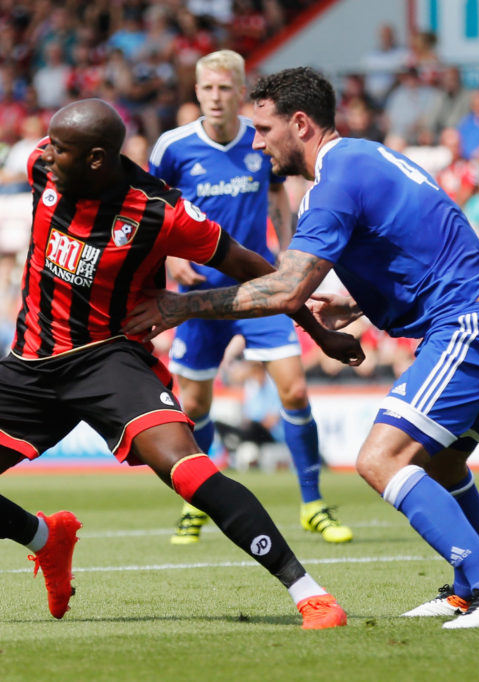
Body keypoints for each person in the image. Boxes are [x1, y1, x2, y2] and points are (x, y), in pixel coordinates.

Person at [0, 98, 362, 629]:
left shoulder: (158, 212)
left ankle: (308, 593)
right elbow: (47, 158)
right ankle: (46, 538)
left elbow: (253, 267)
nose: (47, 156)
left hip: (110, 359)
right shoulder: (41, 167)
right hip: (30, 363)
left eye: (62, 150)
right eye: (51, 146)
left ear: (98, 158)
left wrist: (318, 332)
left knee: (188, 468)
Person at [124, 67, 479, 629]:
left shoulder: (332, 183)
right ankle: (468, 589)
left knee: (379, 460)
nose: (257, 141)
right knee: (440, 460)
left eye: (264, 129)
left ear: (300, 123)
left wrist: (176, 307)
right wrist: (357, 304)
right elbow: (421, 239)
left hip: (470, 325)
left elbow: (286, 287)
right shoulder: (365, 157)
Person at [149, 50, 352, 545]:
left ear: (241, 92)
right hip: (197, 293)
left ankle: (312, 504)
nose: (216, 98)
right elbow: (153, 211)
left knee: (295, 390)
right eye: (207, 89)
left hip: (257, 288)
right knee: (193, 405)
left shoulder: (261, 138)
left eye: (225, 89)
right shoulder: (172, 148)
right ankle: (195, 505)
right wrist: (172, 261)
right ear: (196, 92)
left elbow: (278, 194)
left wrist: (286, 253)